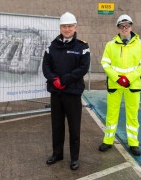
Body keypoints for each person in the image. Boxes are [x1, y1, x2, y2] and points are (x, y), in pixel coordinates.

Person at [42, 12, 90, 170]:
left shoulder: (82, 47)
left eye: (70, 26)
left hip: (72, 93)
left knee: (74, 127)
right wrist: (54, 80)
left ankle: (74, 158)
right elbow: (46, 67)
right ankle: (57, 154)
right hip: (56, 93)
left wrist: (63, 80)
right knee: (57, 125)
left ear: (75, 27)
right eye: (64, 26)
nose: (67, 29)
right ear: (60, 27)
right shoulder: (52, 46)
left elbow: (83, 68)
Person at [98, 14, 141, 156]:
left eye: (127, 25)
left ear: (131, 26)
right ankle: (108, 140)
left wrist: (129, 78)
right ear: (118, 27)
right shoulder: (110, 45)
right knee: (111, 114)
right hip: (115, 84)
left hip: (132, 85)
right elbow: (105, 63)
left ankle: (133, 143)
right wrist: (118, 78)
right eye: (121, 26)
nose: (124, 28)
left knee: (132, 115)